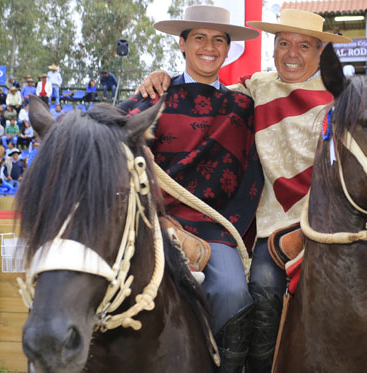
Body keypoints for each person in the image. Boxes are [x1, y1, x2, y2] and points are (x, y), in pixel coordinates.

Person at [137, 8, 367, 372]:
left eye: (304, 46)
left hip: (347, 221)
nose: (292, 53)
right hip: (278, 227)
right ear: (273, 48)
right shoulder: (255, 87)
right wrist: (161, 77)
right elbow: (204, 86)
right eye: (284, 43)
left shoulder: (345, 96)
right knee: (262, 289)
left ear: (320, 53)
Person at [119, 6, 264, 371]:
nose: (209, 47)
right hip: (155, 222)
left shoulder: (244, 105)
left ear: (229, 49)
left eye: (219, 40)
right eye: (199, 37)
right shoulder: (153, 97)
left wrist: (229, 226)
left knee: (233, 293)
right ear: (182, 43)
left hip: (215, 226)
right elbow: (109, 129)